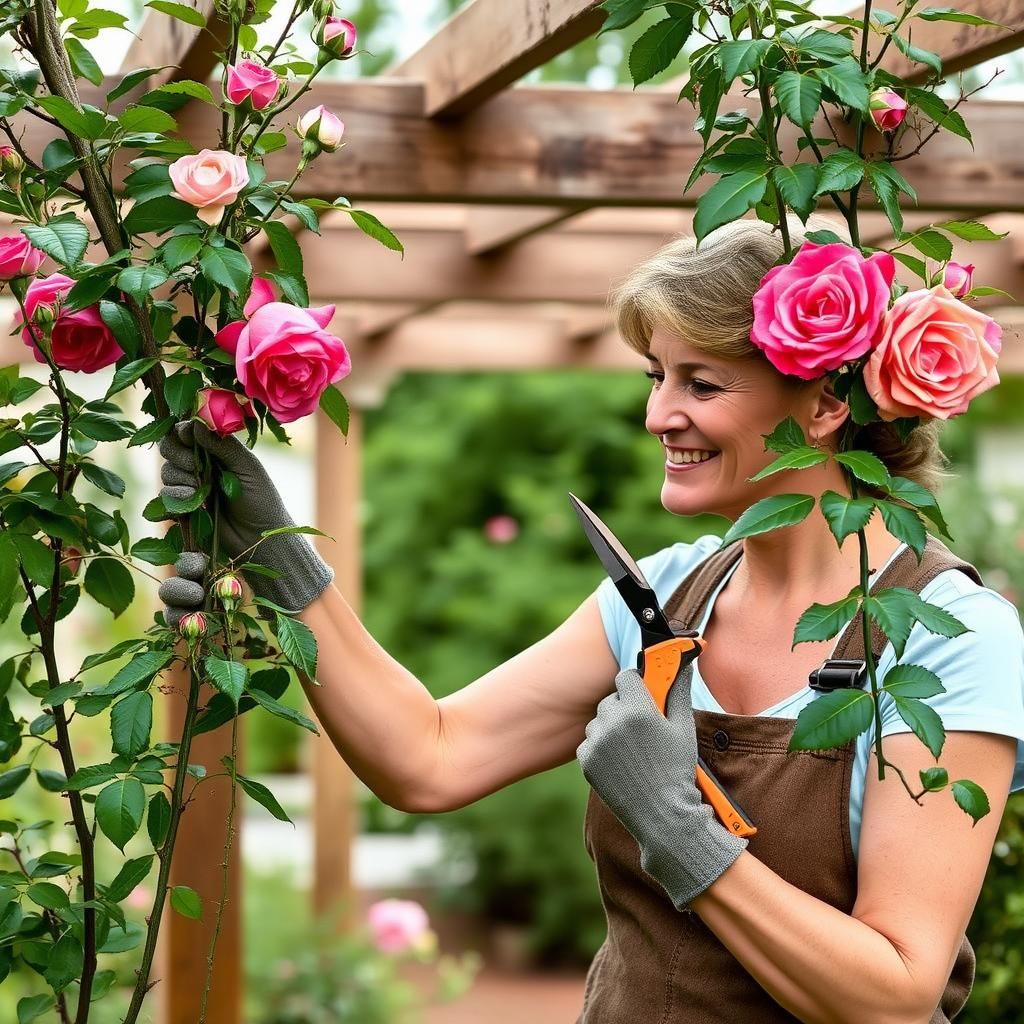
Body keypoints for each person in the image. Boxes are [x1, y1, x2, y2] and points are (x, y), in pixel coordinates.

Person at [158, 216, 1024, 1023]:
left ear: (827, 403)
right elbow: (427, 757)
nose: (657, 415)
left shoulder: (949, 637)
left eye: (702, 382)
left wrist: (681, 829)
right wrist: (275, 554)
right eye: (657, 378)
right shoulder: (665, 597)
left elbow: (897, 994)